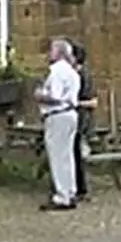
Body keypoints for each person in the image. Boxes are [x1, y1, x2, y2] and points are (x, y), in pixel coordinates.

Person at [36, 38, 82, 211]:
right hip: (71, 114)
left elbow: (55, 96)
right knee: (67, 156)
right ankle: (70, 192)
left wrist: (40, 95)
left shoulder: (57, 71)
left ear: (59, 53)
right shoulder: (72, 72)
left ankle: (61, 196)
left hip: (57, 115)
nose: (48, 54)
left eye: (51, 50)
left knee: (57, 157)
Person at [71, 42, 98, 201]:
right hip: (77, 119)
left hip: (81, 120)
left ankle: (80, 189)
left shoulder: (83, 76)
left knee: (76, 154)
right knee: (74, 154)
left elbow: (93, 102)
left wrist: (75, 103)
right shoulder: (74, 74)